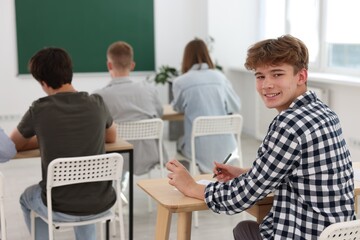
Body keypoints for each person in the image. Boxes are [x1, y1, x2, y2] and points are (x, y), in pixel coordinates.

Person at [166, 35, 355, 239]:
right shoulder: (325, 113)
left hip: (305, 233)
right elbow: (301, 171)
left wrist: (192, 187)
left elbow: (242, 197)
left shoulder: (288, 124)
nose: (266, 85)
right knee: (247, 228)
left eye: (277, 74)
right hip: (339, 234)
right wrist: (245, 173)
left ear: (301, 76)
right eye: (260, 76)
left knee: (246, 228)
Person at [10, 47, 117, 240]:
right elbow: (111, 137)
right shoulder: (97, 103)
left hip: (60, 206)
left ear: (43, 82)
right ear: (70, 72)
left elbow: (14, 144)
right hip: (102, 201)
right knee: (84, 191)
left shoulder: (39, 110)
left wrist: (46, 136)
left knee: (26, 198)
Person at [93, 41, 167, 177]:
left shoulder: (99, 97)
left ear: (109, 65)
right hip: (150, 155)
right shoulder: (149, 90)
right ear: (132, 65)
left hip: (116, 159)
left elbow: (95, 128)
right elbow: (159, 114)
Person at [171, 38, 241, 173]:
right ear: (207, 55)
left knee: (180, 143)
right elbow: (235, 106)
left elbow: (178, 107)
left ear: (186, 57)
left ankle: (186, 182)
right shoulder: (220, 77)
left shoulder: (180, 81)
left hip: (198, 149)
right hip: (228, 147)